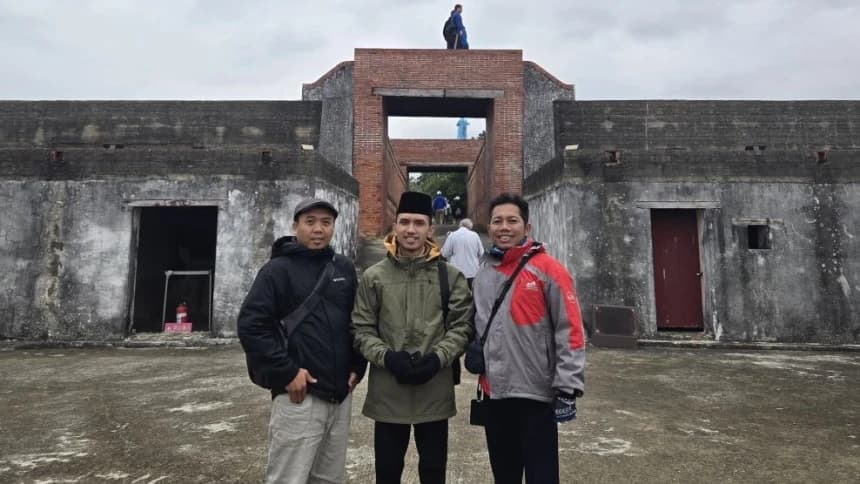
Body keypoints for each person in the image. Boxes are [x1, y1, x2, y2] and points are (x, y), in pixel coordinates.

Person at [237, 199, 367, 484]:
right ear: (295, 227)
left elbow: (356, 321)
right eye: (310, 222)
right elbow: (251, 325)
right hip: (299, 395)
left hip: (340, 394)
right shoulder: (276, 271)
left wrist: (358, 365)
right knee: (289, 478)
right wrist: (287, 372)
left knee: (330, 478)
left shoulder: (343, 268)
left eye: (326, 222)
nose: (318, 229)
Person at [352, 191, 474, 484]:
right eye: (404, 222)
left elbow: (462, 327)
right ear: (394, 226)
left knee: (433, 470)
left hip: (434, 389)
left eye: (419, 223)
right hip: (388, 390)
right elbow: (361, 328)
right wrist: (387, 357)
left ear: (430, 229)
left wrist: (437, 358)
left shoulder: (450, 276)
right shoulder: (374, 276)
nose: (411, 230)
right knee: (387, 470)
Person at [471, 193, 586, 484]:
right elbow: (478, 322)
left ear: (527, 227)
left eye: (512, 221)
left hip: (536, 393)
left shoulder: (549, 270)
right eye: (497, 221)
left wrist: (568, 386)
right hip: (495, 392)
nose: (504, 227)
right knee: (504, 475)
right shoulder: (483, 271)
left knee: (541, 475)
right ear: (489, 227)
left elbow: (570, 330)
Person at [441, 218, 484, 289]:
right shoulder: (475, 235)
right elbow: (482, 253)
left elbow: (444, 253)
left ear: (460, 225)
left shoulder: (452, 235)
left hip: (456, 272)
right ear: (470, 226)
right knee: (473, 294)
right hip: (473, 271)